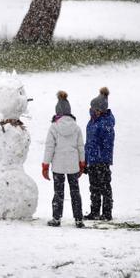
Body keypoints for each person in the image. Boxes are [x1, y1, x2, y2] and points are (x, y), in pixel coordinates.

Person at [42, 91, 86, 228]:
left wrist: (45, 165)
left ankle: (56, 218)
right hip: (73, 165)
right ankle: (79, 219)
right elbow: (80, 147)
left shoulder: (54, 127)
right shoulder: (76, 127)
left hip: (58, 166)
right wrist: (82, 163)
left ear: (57, 112)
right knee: (75, 192)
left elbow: (49, 147)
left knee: (58, 192)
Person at [84, 87, 115, 221]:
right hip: (92, 160)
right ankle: (95, 211)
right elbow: (88, 143)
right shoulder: (91, 123)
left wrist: (101, 157)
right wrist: (85, 159)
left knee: (105, 187)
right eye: (92, 108)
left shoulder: (106, 123)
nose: (93, 111)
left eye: (95, 109)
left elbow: (107, 144)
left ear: (101, 111)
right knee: (94, 187)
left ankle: (107, 212)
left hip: (102, 160)